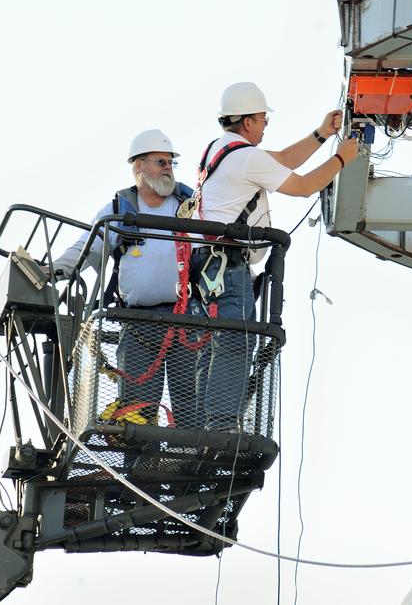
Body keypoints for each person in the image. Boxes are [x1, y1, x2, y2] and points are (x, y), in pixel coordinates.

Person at [186, 81, 359, 431]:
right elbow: (303, 186)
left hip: (209, 264)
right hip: (227, 264)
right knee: (236, 338)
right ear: (248, 121)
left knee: (217, 342)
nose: (266, 125)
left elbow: (281, 161)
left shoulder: (220, 151)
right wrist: (343, 158)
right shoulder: (246, 158)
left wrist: (321, 134)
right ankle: (221, 424)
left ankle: (204, 423)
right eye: (264, 119)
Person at [52, 129, 202, 429]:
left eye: (171, 162)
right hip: (137, 324)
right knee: (136, 413)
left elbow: (214, 250)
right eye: (161, 162)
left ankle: (190, 459)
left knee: (192, 411)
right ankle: (141, 459)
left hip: (187, 323)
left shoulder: (190, 207)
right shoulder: (118, 210)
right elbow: (86, 248)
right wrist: (53, 270)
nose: (168, 169)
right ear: (139, 166)